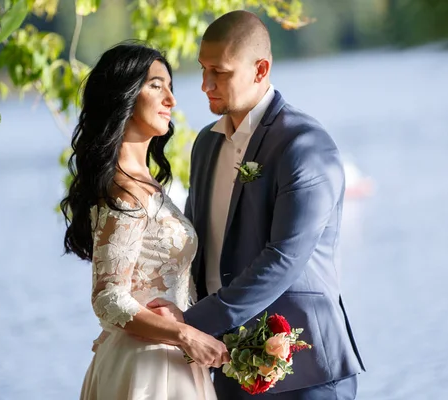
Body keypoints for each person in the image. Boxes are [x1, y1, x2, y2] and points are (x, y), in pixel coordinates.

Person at [148, 10, 365, 400]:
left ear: (260, 69)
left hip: (304, 368)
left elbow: (282, 258)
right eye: (202, 69)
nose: (205, 84)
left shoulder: (304, 145)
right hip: (228, 366)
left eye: (220, 72)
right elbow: (203, 248)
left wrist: (188, 323)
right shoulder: (206, 145)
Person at [60, 42, 228, 400]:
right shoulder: (124, 190)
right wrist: (186, 335)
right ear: (125, 95)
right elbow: (107, 297)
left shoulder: (146, 182)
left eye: (170, 87)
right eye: (156, 85)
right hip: (146, 370)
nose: (171, 99)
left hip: (175, 361)